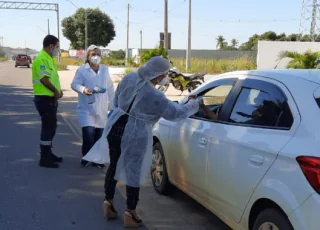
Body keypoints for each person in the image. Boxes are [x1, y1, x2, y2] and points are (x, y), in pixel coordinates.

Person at [82, 56, 201, 228]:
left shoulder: (129, 77)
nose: (165, 77)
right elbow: (176, 114)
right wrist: (194, 104)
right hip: (134, 134)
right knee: (133, 172)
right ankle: (131, 212)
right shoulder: (155, 95)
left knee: (114, 165)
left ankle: (108, 202)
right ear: (159, 74)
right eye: (165, 73)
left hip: (115, 126)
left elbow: (115, 101)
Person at [71, 45, 115, 168]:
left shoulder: (105, 70)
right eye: (93, 54)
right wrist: (83, 89)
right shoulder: (82, 70)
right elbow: (74, 84)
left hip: (101, 107)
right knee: (88, 133)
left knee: (99, 135)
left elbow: (110, 87)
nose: (96, 56)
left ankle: (96, 160)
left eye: (98, 54)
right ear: (88, 56)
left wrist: (113, 105)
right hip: (87, 108)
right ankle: (86, 156)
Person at [32, 35, 63, 169]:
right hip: (44, 98)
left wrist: (58, 91)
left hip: (50, 98)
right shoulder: (41, 59)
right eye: (57, 47)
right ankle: (44, 158)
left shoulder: (49, 59)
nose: (57, 50)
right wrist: (56, 91)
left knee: (52, 127)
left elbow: (53, 78)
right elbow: (44, 80)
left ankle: (49, 153)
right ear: (50, 46)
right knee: (48, 127)